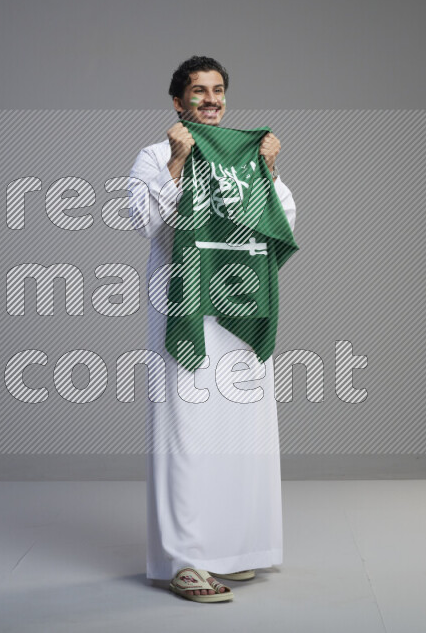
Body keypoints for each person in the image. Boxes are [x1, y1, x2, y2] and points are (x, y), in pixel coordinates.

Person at [127, 56, 297, 603]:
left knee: (240, 434)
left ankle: (231, 549)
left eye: (218, 90)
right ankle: (185, 561)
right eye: (198, 91)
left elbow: (281, 225)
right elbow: (145, 219)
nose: (211, 99)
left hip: (240, 310)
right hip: (185, 312)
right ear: (177, 102)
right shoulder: (155, 154)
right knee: (186, 435)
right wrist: (177, 162)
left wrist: (268, 173)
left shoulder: (249, 160)